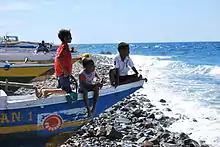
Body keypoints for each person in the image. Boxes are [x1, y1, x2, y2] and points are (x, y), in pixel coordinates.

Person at [35, 29, 73, 98]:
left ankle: (43, 89)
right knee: (66, 91)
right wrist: (65, 70)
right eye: (69, 36)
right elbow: (59, 57)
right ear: (65, 38)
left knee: (60, 88)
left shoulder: (61, 46)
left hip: (60, 72)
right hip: (63, 72)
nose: (71, 38)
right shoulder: (64, 46)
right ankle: (46, 91)